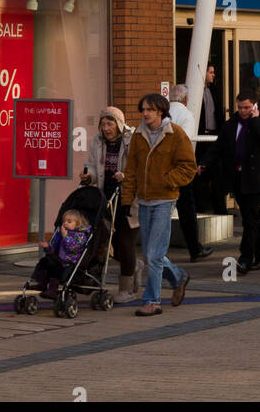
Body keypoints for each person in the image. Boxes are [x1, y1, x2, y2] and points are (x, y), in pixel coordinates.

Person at [119, 94, 196, 316]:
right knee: (153, 254)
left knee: (153, 254)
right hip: (143, 200)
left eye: (149, 110)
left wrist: (167, 180)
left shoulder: (175, 134)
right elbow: (131, 169)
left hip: (164, 199)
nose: (145, 114)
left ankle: (152, 301)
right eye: (143, 109)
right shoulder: (139, 135)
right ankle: (179, 277)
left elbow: (188, 167)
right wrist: (127, 200)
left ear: (160, 111)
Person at [80, 106, 140, 302]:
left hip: (128, 198)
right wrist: (88, 177)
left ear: (119, 124)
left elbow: (140, 168)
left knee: (124, 242)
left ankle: (126, 290)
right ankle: (134, 266)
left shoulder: (132, 140)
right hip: (105, 199)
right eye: (103, 124)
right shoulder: (97, 141)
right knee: (106, 243)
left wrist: (126, 176)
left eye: (110, 123)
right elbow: (91, 165)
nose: (106, 128)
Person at [215, 90, 260, 272]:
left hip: (256, 178)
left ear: (255, 106)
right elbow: (219, 146)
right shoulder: (232, 124)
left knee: (250, 218)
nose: (243, 111)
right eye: (240, 107)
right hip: (238, 178)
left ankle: (246, 258)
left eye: (247, 107)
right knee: (254, 217)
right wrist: (204, 164)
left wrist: (255, 120)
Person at [165, 86, 213, 263]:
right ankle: (194, 248)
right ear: (185, 99)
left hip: (162, 169)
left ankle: (160, 250)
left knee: (164, 209)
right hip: (180, 169)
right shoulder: (186, 115)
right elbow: (184, 142)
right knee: (187, 209)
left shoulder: (162, 112)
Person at [27, 208, 92, 294]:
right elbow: (54, 249)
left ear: (77, 224)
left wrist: (65, 237)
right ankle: (41, 284)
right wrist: (47, 247)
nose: (65, 223)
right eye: (64, 221)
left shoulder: (80, 235)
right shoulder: (61, 232)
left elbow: (73, 248)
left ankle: (53, 289)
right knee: (44, 261)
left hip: (69, 261)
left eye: (69, 221)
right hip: (59, 258)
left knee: (55, 265)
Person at [194, 63, 225, 215]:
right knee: (199, 171)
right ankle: (200, 205)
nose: (213, 75)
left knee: (217, 171)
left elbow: (217, 112)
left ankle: (220, 207)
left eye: (213, 72)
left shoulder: (214, 90)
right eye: (211, 72)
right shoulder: (195, 91)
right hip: (199, 137)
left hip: (213, 135)